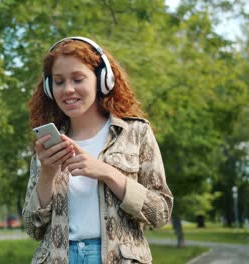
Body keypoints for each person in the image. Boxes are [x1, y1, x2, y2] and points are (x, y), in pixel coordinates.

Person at [23, 36, 173, 264]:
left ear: (102, 80)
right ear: (49, 87)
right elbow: (32, 228)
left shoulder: (135, 133)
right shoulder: (48, 144)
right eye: (59, 81)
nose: (68, 89)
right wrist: (47, 174)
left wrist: (108, 173)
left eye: (78, 79)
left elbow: (160, 213)